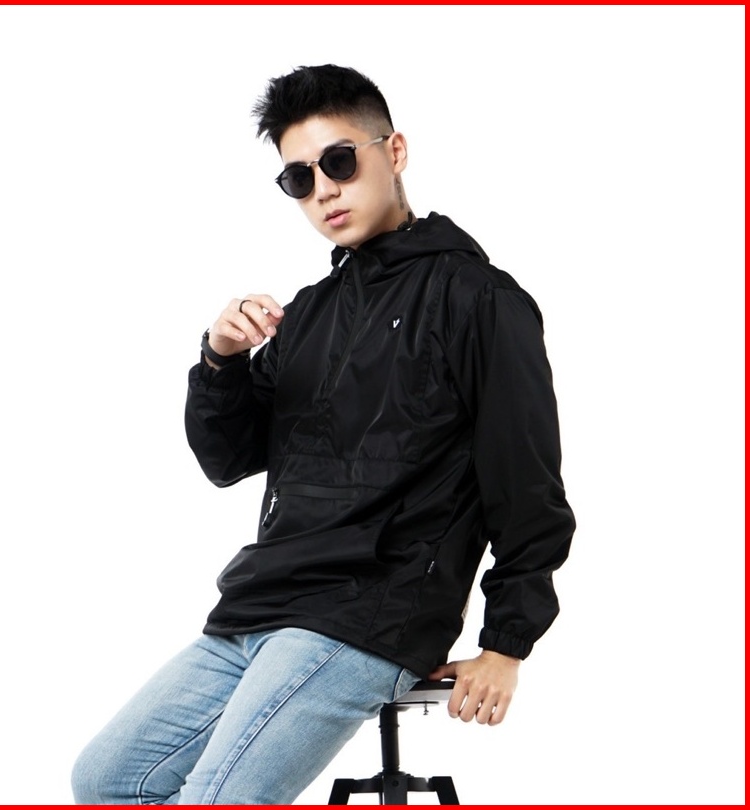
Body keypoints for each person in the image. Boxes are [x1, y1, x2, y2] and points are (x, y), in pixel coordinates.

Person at [72, 64, 575, 805]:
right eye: (299, 179)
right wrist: (220, 360)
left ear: (394, 151)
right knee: (107, 780)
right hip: (259, 606)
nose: (324, 191)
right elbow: (228, 459)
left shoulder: (479, 300)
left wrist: (506, 642)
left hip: (370, 614)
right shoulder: (308, 313)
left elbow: (528, 484)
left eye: (340, 162)